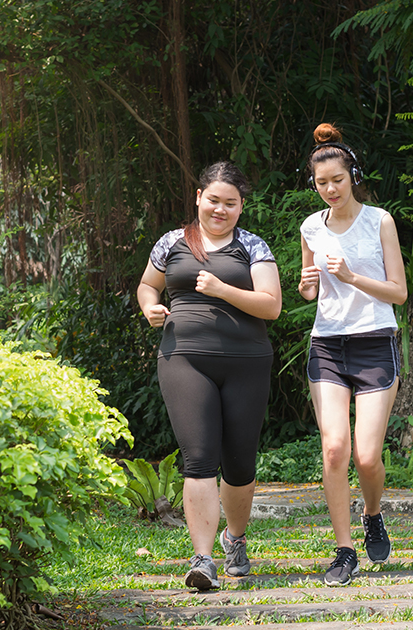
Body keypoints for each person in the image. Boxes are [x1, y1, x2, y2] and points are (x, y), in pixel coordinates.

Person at [137, 161, 282, 590]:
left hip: (246, 363)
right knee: (198, 460)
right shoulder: (172, 242)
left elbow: (271, 305)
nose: (220, 209)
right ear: (199, 197)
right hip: (184, 358)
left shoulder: (253, 246)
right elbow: (148, 284)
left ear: (241, 207)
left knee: (239, 464)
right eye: (213, 200)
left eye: (230, 203)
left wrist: (222, 290)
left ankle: (234, 540)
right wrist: (149, 307)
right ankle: (203, 560)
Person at [297, 123, 408, 587]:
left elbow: (399, 293)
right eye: (321, 184)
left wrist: (353, 276)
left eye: (337, 181)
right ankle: (344, 551)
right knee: (334, 448)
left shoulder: (379, 220)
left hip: (375, 342)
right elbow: (309, 288)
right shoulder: (309, 227)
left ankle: (374, 514)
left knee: (366, 456)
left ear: (352, 175)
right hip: (328, 344)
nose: (330, 190)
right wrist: (308, 286)